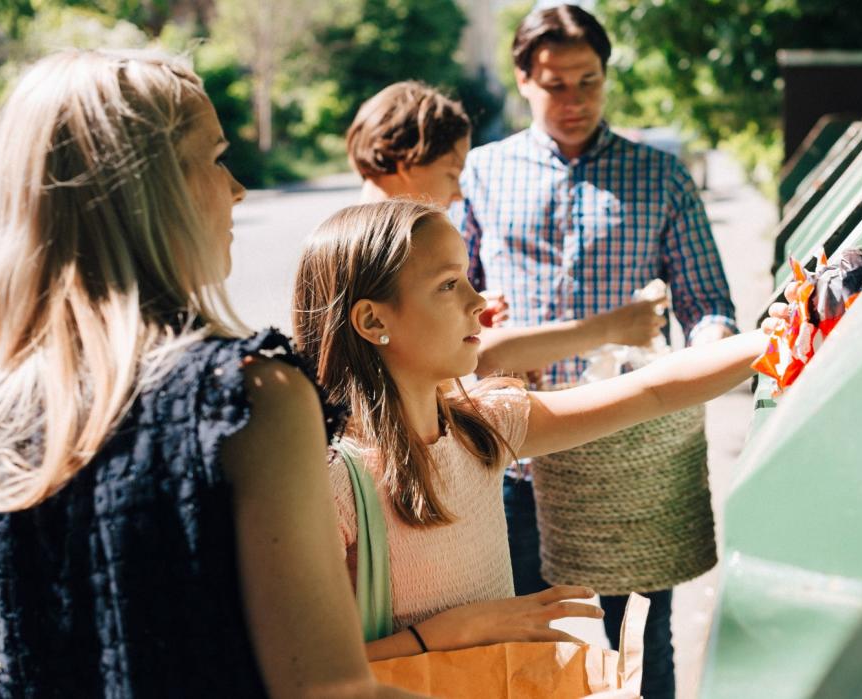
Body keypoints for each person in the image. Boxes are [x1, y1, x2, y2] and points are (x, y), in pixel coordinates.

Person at [0, 50, 418, 697]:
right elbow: (328, 689)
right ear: (146, 192)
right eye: (215, 158)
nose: (237, 188)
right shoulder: (244, 397)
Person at [291, 200, 768, 666]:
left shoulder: (483, 427)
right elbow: (298, 674)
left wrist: (778, 340)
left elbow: (651, 392)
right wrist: (452, 634)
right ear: (374, 321)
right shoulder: (332, 481)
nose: (477, 301)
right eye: (448, 285)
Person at [451, 5, 738, 695]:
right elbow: (451, 301)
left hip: (630, 458)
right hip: (512, 457)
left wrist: (709, 350)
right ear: (523, 80)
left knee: (644, 637)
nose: (575, 100)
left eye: (589, 81)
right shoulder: (481, 175)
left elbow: (710, 306)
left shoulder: (661, 177)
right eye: (556, 85)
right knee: (532, 639)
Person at [346, 79, 664, 363]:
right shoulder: (391, 253)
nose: (458, 193)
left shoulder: (355, 240)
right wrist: (612, 327)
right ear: (408, 159)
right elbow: (483, 355)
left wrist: (464, 314)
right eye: (451, 174)